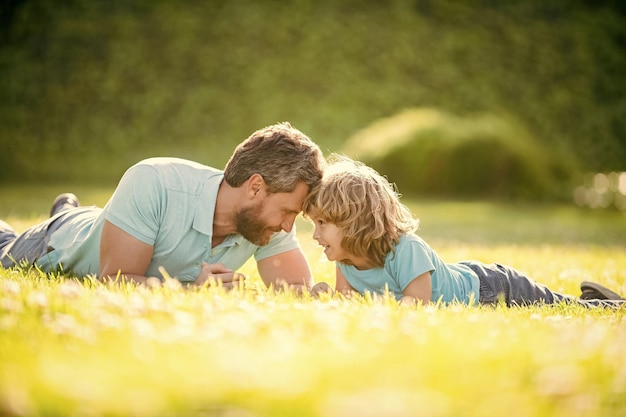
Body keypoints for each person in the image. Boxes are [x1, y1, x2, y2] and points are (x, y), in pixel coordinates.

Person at [0, 122, 326, 290]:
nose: (287, 226)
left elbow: (295, 289)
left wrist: (321, 294)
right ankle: (63, 213)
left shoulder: (264, 221)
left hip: (114, 224)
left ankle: (67, 207)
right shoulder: (153, 180)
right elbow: (114, 281)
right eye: (287, 213)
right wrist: (188, 292)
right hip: (55, 243)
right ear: (255, 187)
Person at [305, 155, 625, 308]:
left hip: (492, 287)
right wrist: (326, 299)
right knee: (562, 303)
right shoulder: (344, 260)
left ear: (354, 221)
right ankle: (595, 298)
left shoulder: (405, 249)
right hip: (474, 280)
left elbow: (416, 307)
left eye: (322, 224)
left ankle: (608, 304)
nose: (316, 236)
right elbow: (348, 304)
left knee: (561, 306)